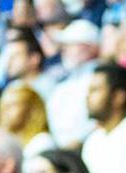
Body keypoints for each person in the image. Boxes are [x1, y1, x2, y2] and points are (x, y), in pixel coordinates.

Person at [46, 19, 101, 148]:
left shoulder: (99, 78)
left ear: (92, 47)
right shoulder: (63, 85)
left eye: (72, 44)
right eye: (64, 45)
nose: (65, 50)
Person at [0, 84, 56, 158]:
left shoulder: (42, 142)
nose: (5, 111)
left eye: (12, 105)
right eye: (3, 106)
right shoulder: (7, 144)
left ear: (31, 109)